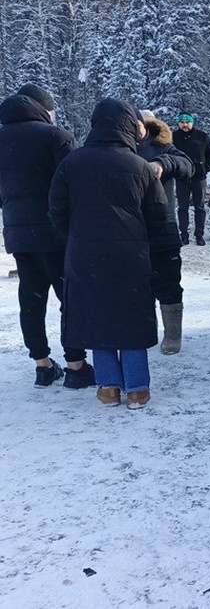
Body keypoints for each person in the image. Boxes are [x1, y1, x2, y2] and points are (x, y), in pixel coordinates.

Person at [48, 99, 168, 409]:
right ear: (129, 126)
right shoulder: (140, 167)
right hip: (131, 256)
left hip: (85, 254)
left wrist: (76, 237)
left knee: (97, 315)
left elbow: (56, 211)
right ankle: (137, 389)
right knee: (131, 315)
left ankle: (108, 387)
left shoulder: (72, 163)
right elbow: (159, 216)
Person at [0, 83, 95, 389]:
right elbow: (76, 182)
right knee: (70, 298)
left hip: (18, 233)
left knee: (31, 298)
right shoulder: (56, 136)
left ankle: (43, 366)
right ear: (43, 109)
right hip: (58, 233)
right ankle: (76, 365)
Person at [136, 109, 194, 354]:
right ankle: (145, 333)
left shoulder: (162, 146)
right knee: (139, 287)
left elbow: (187, 165)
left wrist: (163, 163)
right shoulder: (122, 148)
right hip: (133, 231)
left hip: (163, 228)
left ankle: (172, 335)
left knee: (169, 283)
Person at [172, 112, 210, 246]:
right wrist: (175, 170)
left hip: (199, 178)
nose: (185, 125)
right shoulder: (173, 137)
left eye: (187, 122)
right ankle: (183, 235)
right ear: (178, 123)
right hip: (182, 178)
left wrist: (205, 169)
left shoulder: (202, 137)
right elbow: (168, 155)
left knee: (199, 207)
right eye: (182, 122)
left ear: (192, 123)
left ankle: (199, 235)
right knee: (182, 208)